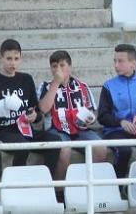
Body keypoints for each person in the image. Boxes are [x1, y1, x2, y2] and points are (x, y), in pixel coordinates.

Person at [0, 39, 59, 170]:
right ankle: (18, 183)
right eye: (9, 58)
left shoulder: (26, 79)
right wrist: (1, 109)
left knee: (55, 142)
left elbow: (37, 112)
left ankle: (47, 181)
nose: (13, 63)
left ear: (21, 58)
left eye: (16, 58)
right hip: (4, 132)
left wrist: (34, 116)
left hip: (28, 131)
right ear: (1, 58)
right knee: (23, 146)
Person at [37, 50, 109, 180]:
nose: (58, 69)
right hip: (56, 129)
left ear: (70, 67)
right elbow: (43, 108)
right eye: (54, 66)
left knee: (100, 148)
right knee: (64, 150)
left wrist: (89, 119)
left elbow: (92, 112)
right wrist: (56, 83)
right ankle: (59, 192)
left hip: (80, 130)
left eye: (62, 65)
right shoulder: (46, 86)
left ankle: (87, 185)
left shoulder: (82, 86)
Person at [98, 44, 136, 179]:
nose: (116, 65)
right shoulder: (108, 86)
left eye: (120, 61)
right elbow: (102, 116)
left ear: (133, 63)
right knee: (124, 150)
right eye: (115, 61)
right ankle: (119, 184)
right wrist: (121, 122)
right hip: (115, 131)